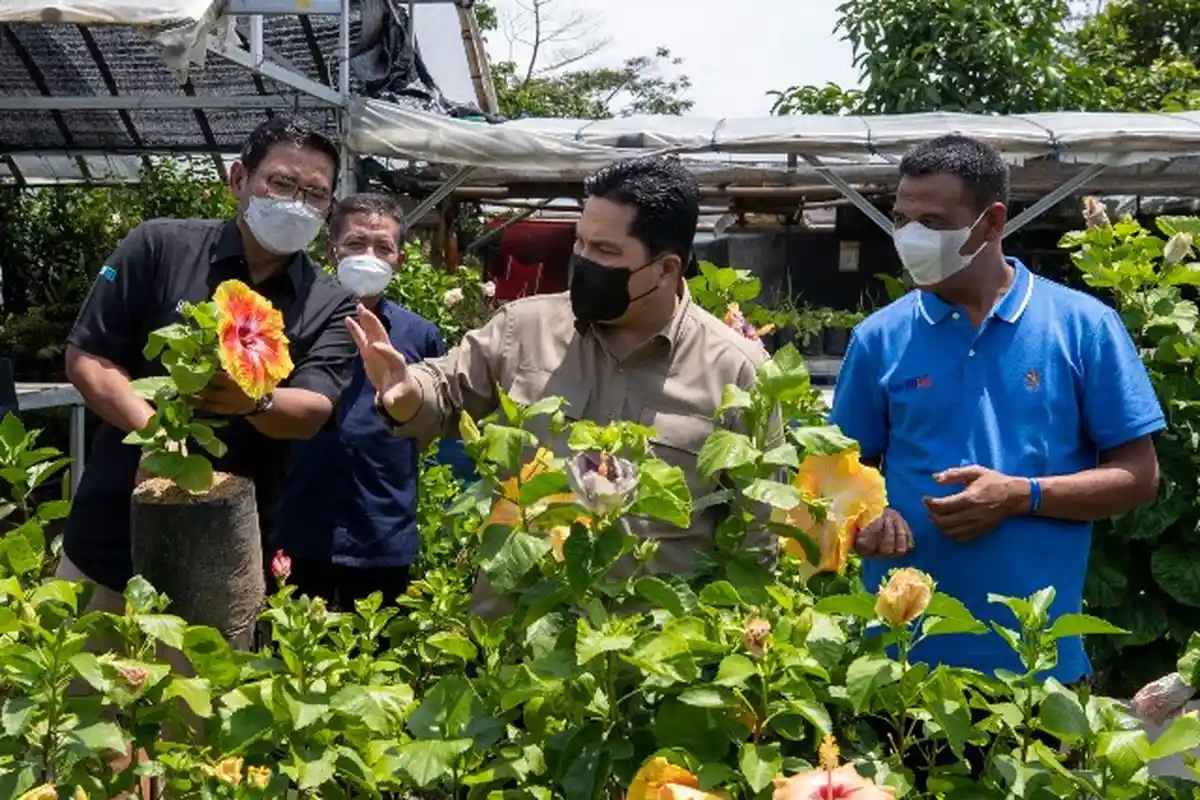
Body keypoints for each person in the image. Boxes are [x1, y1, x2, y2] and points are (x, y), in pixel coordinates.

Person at [347, 155, 774, 618]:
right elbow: (445, 389)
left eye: (606, 252)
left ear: (667, 268)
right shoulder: (525, 329)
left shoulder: (736, 370)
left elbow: (758, 535)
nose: (585, 262)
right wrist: (409, 393)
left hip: (652, 662)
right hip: (519, 641)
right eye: (581, 244)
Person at [830, 135, 1163, 684]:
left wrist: (1021, 496)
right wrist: (866, 518)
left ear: (991, 222)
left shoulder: (1082, 327)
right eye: (901, 219)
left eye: (933, 223)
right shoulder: (879, 338)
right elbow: (834, 477)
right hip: (901, 672)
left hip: (1038, 670)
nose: (910, 238)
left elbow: (1138, 477)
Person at [61, 114, 359, 619]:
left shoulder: (331, 302)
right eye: (282, 182)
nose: (296, 203)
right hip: (110, 535)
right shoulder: (158, 246)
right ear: (239, 179)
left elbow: (313, 407)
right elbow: (87, 355)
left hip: (226, 552)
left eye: (315, 194)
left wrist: (256, 399)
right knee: (77, 690)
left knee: (199, 694)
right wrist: (155, 432)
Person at [274, 192, 444, 608]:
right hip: (298, 521)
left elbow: (433, 419)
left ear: (398, 258)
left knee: (377, 655)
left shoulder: (419, 335)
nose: (369, 255)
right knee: (292, 653)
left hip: (381, 527)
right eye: (355, 244)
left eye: (382, 247)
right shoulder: (290, 323)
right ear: (331, 250)